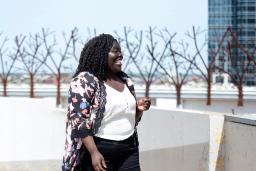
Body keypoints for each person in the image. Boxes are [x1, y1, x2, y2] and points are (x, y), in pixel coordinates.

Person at [62, 33, 151, 171]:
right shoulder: (85, 80)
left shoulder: (125, 80)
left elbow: (131, 119)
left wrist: (139, 109)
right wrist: (94, 152)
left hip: (129, 149)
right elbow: (79, 121)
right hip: (99, 149)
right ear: (101, 54)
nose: (120, 55)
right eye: (115, 51)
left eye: (120, 51)